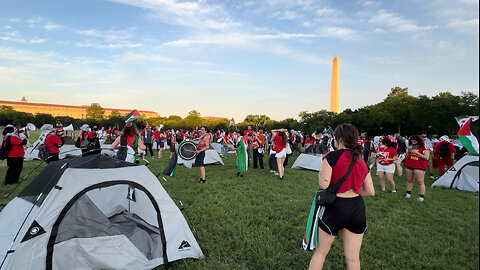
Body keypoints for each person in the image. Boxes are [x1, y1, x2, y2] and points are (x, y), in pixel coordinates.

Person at [309, 123, 375, 270]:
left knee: (320, 253)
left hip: (335, 206)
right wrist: (354, 192)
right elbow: (370, 191)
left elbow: (324, 185)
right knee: (353, 259)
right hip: (356, 208)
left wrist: (321, 176)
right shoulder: (361, 160)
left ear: (337, 139)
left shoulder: (331, 156)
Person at [404, 135, 430, 202]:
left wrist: (417, 153)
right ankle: (408, 193)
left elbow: (427, 158)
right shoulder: (411, 146)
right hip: (409, 165)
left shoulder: (424, 147)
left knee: (420, 181)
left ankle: (421, 196)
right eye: (412, 141)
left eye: (414, 141)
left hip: (419, 166)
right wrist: (408, 152)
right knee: (409, 180)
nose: (413, 142)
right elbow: (406, 156)